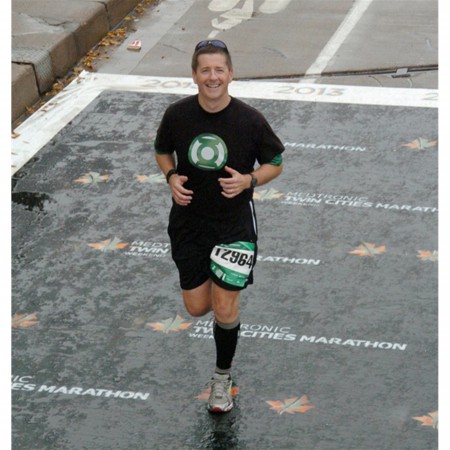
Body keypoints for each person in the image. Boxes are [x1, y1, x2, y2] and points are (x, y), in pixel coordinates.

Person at [154, 39, 284, 413]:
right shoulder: (177, 115)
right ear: (194, 75)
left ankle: (222, 378)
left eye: (219, 70)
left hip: (234, 227)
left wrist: (250, 181)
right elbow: (162, 150)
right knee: (197, 308)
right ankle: (224, 298)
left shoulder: (250, 120)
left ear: (231, 74)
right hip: (189, 225)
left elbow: (275, 162)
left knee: (225, 307)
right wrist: (171, 176)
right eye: (205, 70)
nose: (213, 77)